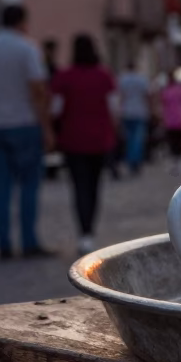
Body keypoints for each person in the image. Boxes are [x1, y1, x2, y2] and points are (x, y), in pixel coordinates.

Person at [0, 4, 55, 260]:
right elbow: (37, 90)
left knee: (1, 186)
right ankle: (29, 241)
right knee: (29, 185)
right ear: (21, 22)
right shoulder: (27, 48)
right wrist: (46, 127)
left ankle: (3, 243)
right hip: (24, 123)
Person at [51, 35, 118, 255]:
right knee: (94, 187)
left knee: (79, 187)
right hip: (99, 140)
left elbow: (56, 110)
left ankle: (83, 232)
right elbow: (114, 109)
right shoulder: (103, 75)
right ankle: (89, 231)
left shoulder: (65, 77)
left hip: (73, 141)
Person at [118, 62, 152, 175]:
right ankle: (135, 161)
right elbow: (147, 95)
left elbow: (120, 96)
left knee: (129, 138)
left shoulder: (122, 79)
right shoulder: (141, 79)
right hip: (139, 112)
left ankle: (131, 161)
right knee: (137, 139)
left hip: (127, 112)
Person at [159, 70, 181, 175]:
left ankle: (174, 163)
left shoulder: (166, 91)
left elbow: (162, 104)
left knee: (172, 143)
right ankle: (180, 163)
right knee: (180, 142)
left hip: (170, 121)